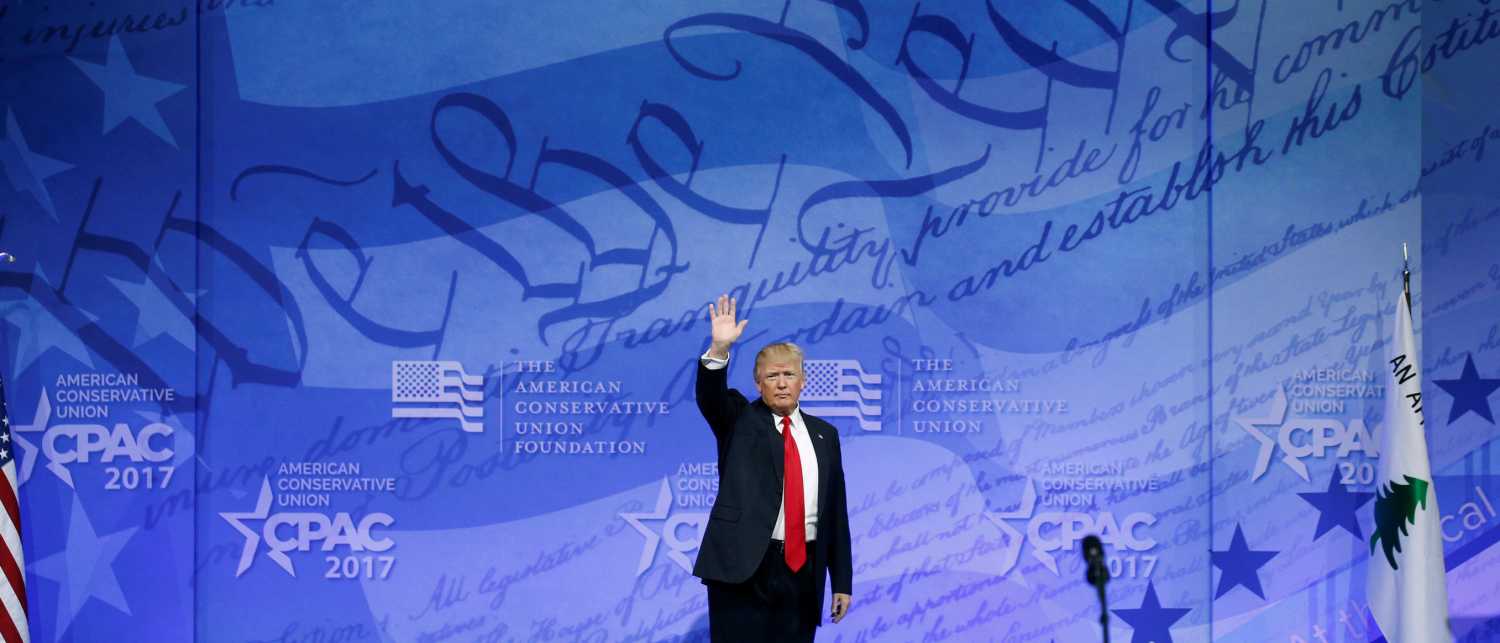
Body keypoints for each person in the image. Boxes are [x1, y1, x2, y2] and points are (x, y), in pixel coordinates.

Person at [693, 294, 853, 642]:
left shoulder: (826, 435)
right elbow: (711, 397)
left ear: (803, 381)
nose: (781, 382)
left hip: (803, 572)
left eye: (789, 374)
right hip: (744, 568)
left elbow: (835, 513)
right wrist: (719, 349)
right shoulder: (738, 419)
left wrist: (841, 581)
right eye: (772, 376)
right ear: (758, 384)